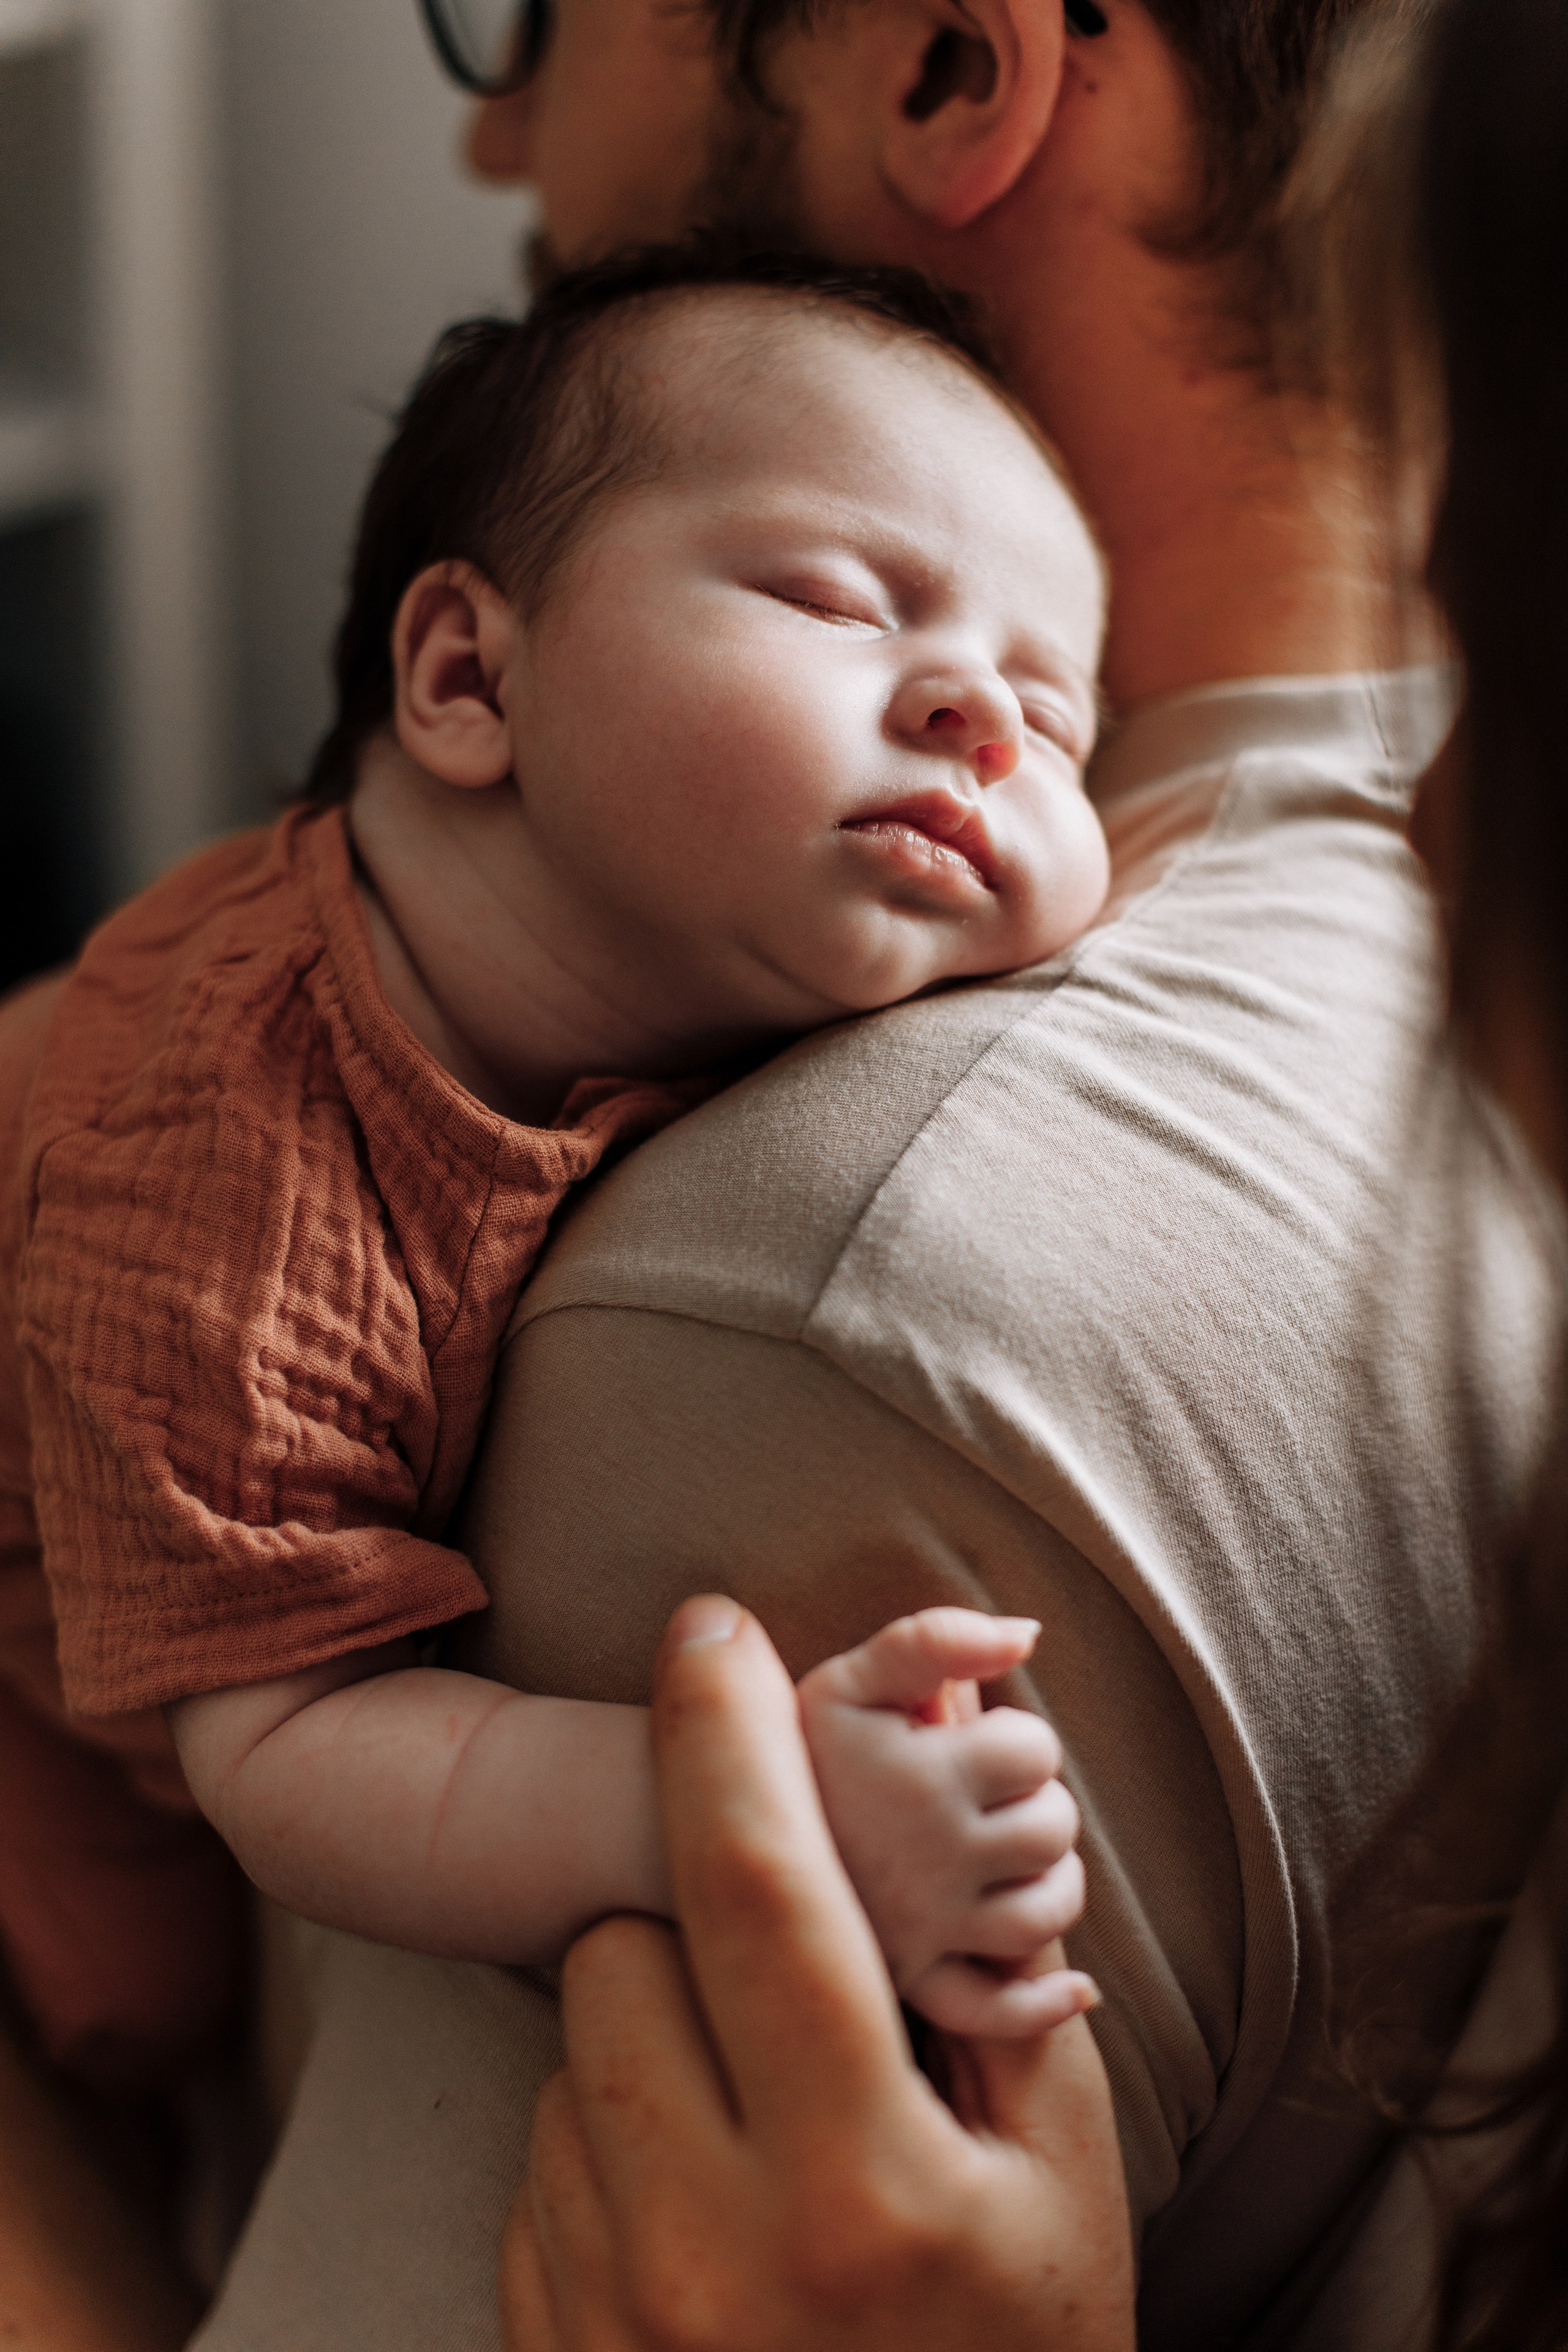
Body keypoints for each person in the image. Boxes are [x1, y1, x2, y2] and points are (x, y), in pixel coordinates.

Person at [187, 3, 1563, 2349]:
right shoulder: (1466, 891)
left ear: (948, 66)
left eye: (530, 9)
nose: (499, 122)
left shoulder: (807, 1312)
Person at [0, 244, 1109, 2117]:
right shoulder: (231, 1165)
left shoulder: (695, 961)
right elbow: (295, 1751)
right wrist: (759, 1807)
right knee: (133, 2003)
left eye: (1059, 715)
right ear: (464, 679)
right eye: (840, 601)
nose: (979, 718)